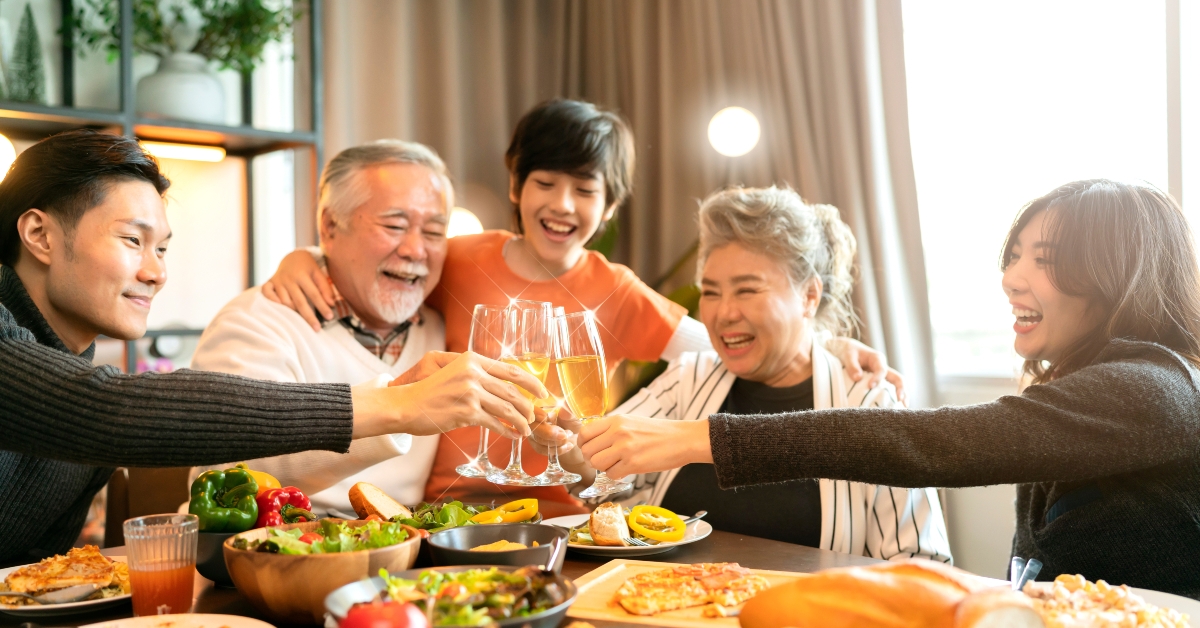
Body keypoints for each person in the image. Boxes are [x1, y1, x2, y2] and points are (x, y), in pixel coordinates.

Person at [264, 100, 901, 516]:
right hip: (451, 507)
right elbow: (389, 270)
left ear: (611, 207)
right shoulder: (460, 258)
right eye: (545, 182)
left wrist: (825, 343)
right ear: (516, 186)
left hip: (561, 513)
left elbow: (722, 344)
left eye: (585, 189)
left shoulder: (617, 288)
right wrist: (305, 258)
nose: (562, 205)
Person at [581, 179, 1200, 597]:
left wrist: (698, 440)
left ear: (1117, 271)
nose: (1011, 276)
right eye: (1014, 255)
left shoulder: (1153, 391)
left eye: (1046, 258)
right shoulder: (1081, 387)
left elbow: (940, 443)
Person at [0, 130, 542, 567]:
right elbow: (108, 409)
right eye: (132, 240)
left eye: (162, 247)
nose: (156, 272)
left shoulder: (70, 355)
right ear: (40, 236)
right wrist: (398, 405)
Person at [575, 186, 949, 561]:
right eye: (710, 292)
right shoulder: (688, 378)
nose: (724, 313)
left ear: (809, 297)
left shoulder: (868, 401)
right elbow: (601, 476)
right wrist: (563, 442)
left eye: (747, 290)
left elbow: (922, 562)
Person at [190, 140, 457, 515]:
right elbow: (229, 474)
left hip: (406, 555)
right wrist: (396, 407)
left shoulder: (447, 324)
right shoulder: (257, 322)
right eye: (395, 225)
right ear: (330, 225)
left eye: (433, 232)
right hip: (271, 553)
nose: (416, 249)